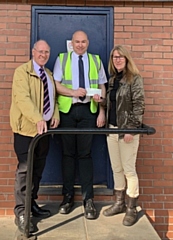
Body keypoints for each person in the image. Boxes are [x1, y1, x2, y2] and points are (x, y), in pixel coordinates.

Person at [53, 30, 107, 219]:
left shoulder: (95, 60)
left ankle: (88, 200)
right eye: (77, 41)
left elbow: (102, 86)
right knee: (67, 155)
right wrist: (73, 92)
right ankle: (67, 198)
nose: (80, 45)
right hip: (68, 111)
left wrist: (102, 111)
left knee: (85, 155)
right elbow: (56, 84)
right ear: (72, 43)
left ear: (88, 43)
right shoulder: (63, 59)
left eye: (83, 41)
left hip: (88, 112)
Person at [10, 40, 60, 233]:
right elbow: (22, 99)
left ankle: (31, 205)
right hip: (26, 131)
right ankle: (21, 213)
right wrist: (38, 118)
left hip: (44, 132)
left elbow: (53, 99)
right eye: (40, 52)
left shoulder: (48, 74)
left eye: (47, 52)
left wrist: (54, 115)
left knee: (38, 170)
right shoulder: (22, 72)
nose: (43, 55)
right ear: (33, 52)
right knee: (25, 171)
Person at [103, 45, 145, 226]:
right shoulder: (113, 80)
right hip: (112, 129)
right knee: (116, 169)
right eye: (114, 57)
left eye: (120, 57)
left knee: (129, 169)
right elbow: (113, 103)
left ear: (127, 59)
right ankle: (119, 203)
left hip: (127, 131)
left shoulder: (134, 79)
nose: (117, 60)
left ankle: (131, 208)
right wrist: (101, 101)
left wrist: (131, 128)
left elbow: (139, 105)